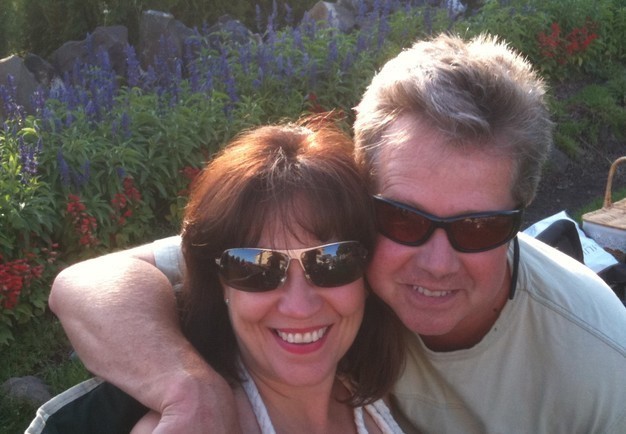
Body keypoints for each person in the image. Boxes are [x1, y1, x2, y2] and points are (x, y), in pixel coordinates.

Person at [48, 33, 626, 433]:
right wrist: (190, 391)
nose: (436, 262)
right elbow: (88, 283)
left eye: (477, 227)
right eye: (403, 219)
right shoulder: (320, 247)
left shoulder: (600, 365)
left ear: (519, 217)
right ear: (360, 197)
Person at [28, 121, 406, 433]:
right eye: (257, 267)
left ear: (365, 277)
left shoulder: (381, 400)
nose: (299, 305)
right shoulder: (190, 426)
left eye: (332, 261)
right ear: (220, 283)